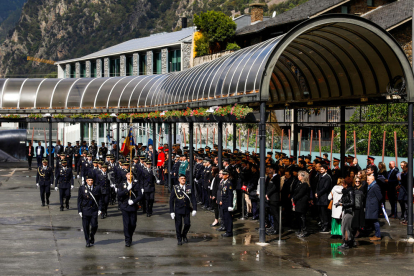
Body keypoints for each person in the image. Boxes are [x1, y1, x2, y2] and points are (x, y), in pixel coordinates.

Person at [170, 174, 197, 245]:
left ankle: (184, 235)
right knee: (178, 225)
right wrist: (171, 211)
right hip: (178, 209)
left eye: (184, 178)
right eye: (181, 178)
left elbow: (193, 198)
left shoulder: (189, 187)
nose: (183, 179)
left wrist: (195, 209)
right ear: (179, 179)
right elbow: (171, 200)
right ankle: (179, 238)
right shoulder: (175, 188)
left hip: (186, 209)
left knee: (187, 224)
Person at [117, 172, 143, 247]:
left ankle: (130, 235)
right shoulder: (122, 184)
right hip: (125, 207)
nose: (130, 175)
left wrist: (134, 201)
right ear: (126, 175)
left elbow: (140, 196)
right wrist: (127, 189)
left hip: (133, 207)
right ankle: (127, 240)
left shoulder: (136, 184)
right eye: (128, 174)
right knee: (126, 224)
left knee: (133, 224)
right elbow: (119, 195)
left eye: (131, 174)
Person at [78, 175, 102, 247]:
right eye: (89, 180)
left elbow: (100, 199)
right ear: (86, 181)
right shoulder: (82, 188)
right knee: (85, 226)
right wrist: (79, 210)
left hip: (94, 210)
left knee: (94, 225)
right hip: (85, 209)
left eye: (91, 180)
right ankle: (87, 240)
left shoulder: (97, 188)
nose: (90, 182)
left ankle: (92, 235)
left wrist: (100, 209)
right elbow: (79, 200)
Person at [337, 177, 355, 249]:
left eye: (343, 183)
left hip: (349, 212)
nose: (342, 184)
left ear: (347, 184)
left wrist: (342, 204)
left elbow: (352, 203)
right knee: (344, 227)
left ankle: (346, 242)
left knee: (346, 228)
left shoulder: (350, 191)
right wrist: (340, 201)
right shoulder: (345, 191)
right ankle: (349, 241)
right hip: (346, 211)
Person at [291, 170, 310, 237]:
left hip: (302, 202)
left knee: (302, 217)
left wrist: (294, 198)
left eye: (299, 175)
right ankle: (300, 229)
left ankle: (304, 230)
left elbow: (301, 193)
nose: (298, 177)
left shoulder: (305, 184)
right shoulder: (299, 183)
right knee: (298, 216)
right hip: (298, 202)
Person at [315, 164, 332, 233]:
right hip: (319, 197)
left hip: (324, 197)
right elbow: (317, 186)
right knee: (321, 213)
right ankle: (322, 225)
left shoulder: (327, 177)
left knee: (324, 213)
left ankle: (326, 226)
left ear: (326, 170)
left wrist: (318, 193)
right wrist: (316, 192)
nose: (321, 170)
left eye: (322, 169)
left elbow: (325, 188)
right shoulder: (320, 176)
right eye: (320, 169)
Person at [365, 175, 382, 241]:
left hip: (373, 206)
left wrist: (378, 204)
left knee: (375, 221)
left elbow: (380, 197)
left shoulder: (375, 186)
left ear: (372, 180)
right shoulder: (371, 186)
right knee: (373, 220)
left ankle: (378, 235)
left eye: (368, 180)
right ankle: (376, 234)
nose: (367, 181)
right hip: (371, 206)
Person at [266, 164, 280, 235]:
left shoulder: (277, 177)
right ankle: (274, 228)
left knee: (276, 215)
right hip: (271, 198)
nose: (269, 170)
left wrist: (267, 193)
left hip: (274, 198)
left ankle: (277, 229)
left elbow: (274, 187)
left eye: (271, 169)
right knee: (273, 214)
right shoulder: (272, 177)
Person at [220, 169, 234, 237]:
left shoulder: (229, 183)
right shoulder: (224, 182)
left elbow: (230, 195)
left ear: (227, 175)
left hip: (227, 203)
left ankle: (229, 231)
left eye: (224, 174)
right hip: (224, 203)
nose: (222, 175)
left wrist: (230, 205)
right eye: (222, 174)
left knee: (228, 218)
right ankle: (227, 230)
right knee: (225, 217)